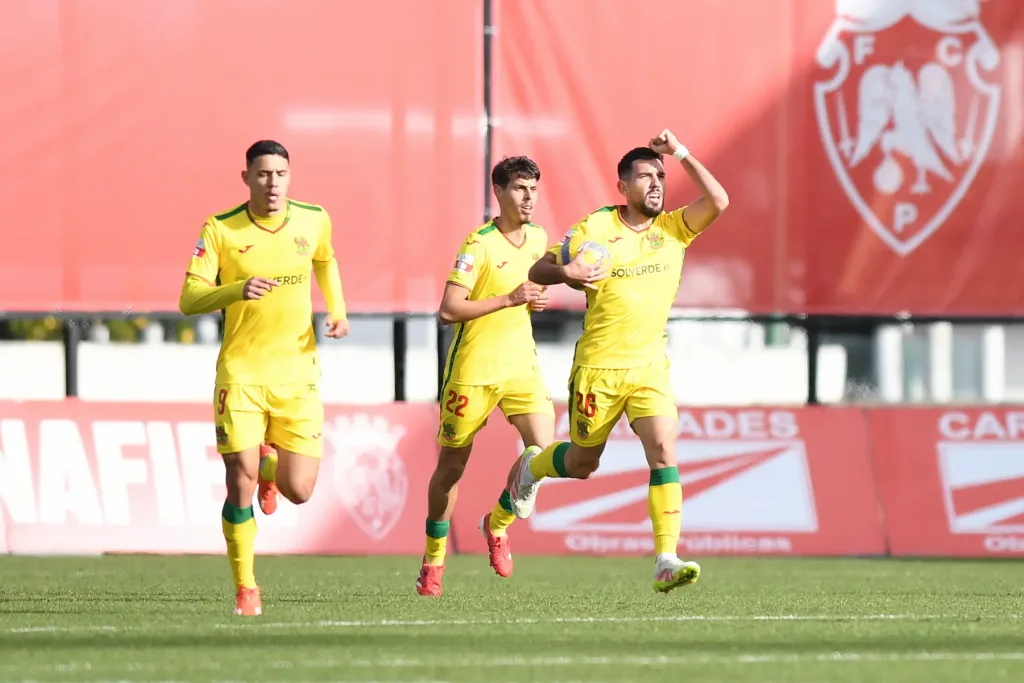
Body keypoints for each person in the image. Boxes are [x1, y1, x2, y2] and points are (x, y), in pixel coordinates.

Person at [501, 129, 729, 593]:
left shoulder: (674, 229)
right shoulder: (595, 230)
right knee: (584, 463)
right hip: (599, 370)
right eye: (645, 176)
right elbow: (538, 269)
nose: (656, 184)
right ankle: (533, 468)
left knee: (663, 448)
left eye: (660, 176)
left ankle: (666, 557)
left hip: (649, 367)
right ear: (622, 187)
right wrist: (567, 272)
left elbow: (719, 200)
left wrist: (681, 152)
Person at [178, 140, 349, 616]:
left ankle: (272, 467)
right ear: (246, 178)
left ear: (290, 177)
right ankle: (246, 588)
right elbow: (189, 298)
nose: (272, 184)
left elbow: (325, 259)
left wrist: (337, 310)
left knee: (300, 490)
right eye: (262, 175)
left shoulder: (313, 219)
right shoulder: (221, 229)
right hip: (242, 374)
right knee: (239, 479)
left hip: (297, 376)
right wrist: (236, 289)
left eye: (280, 174)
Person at [417, 156, 555, 598]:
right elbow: (448, 310)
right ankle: (433, 560)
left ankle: (496, 524)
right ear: (498, 192)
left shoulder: (538, 239)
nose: (529, 197)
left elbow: (531, 289)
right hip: (473, 370)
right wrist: (510, 297)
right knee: (451, 469)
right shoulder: (477, 245)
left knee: (543, 452)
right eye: (519, 188)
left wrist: (533, 300)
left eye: (534, 188)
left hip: (521, 366)